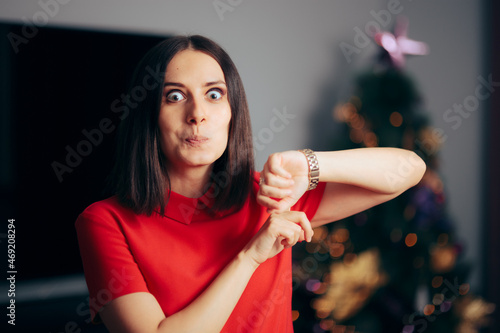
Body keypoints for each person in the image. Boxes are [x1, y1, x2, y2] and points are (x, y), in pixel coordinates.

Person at [75, 35, 426, 333]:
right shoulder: (105, 222)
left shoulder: (271, 195)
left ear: (232, 112)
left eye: (214, 94)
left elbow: (409, 169)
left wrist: (308, 163)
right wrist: (250, 256)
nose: (198, 114)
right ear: (148, 114)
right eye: (175, 96)